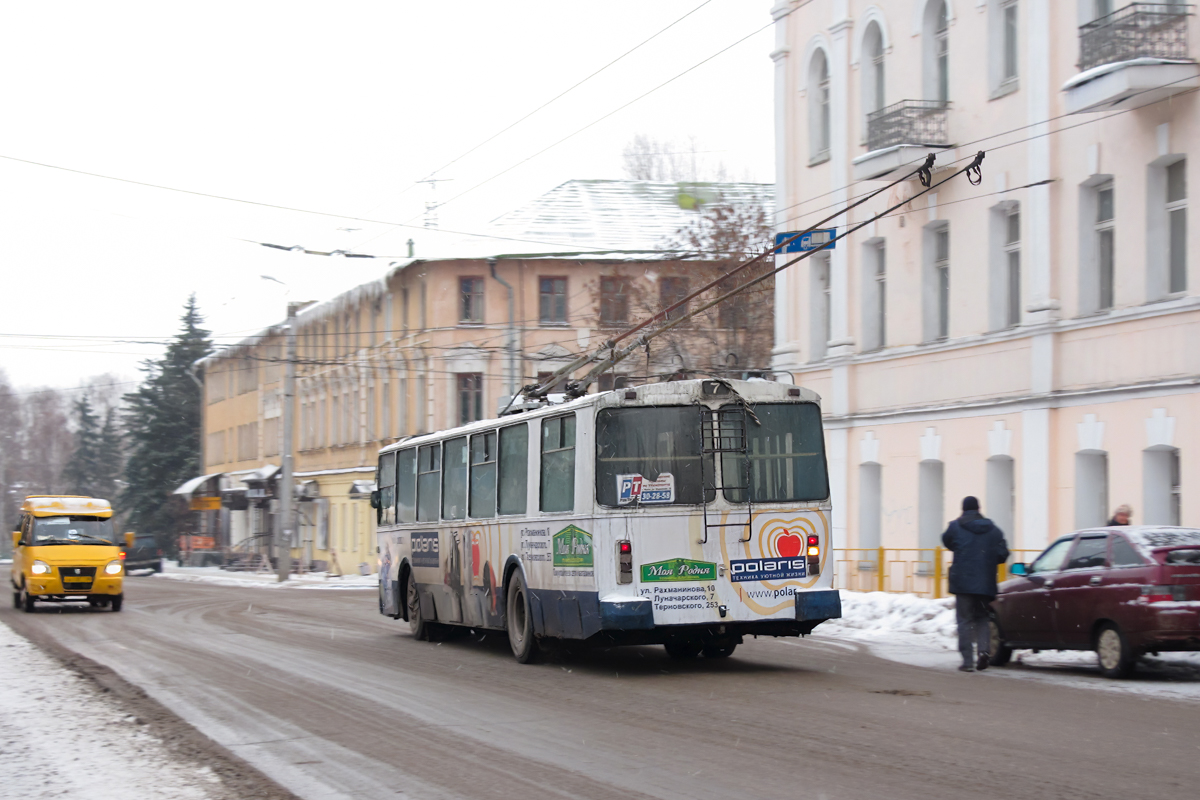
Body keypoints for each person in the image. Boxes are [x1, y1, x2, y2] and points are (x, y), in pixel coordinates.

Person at [942, 496, 1010, 672]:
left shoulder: (955, 527)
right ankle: (984, 651)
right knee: (982, 618)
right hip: (985, 583)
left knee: (964, 620)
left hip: (963, 583)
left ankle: (967, 662)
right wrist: (987, 559)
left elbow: (946, 541)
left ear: (963, 509)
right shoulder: (993, 530)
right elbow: (1003, 553)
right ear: (979, 509)